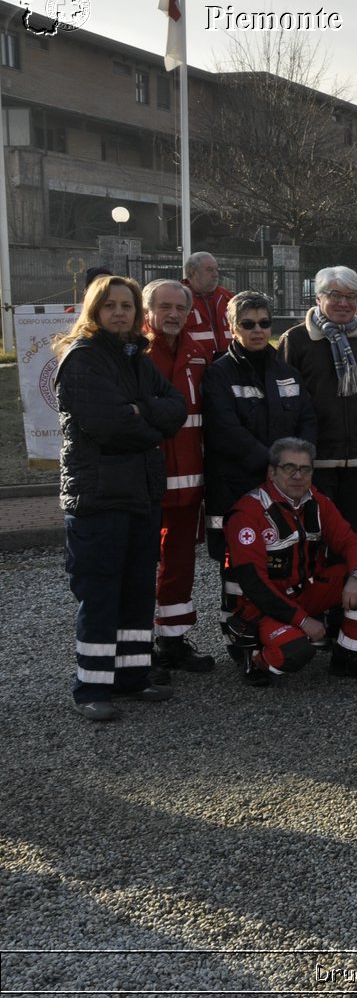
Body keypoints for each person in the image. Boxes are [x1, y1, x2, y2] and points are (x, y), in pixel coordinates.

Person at [56, 275, 186, 720]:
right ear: (94, 311)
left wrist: (141, 410)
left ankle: (132, 678)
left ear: (136, 312)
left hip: (141, 495)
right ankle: (91, 687)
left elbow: (177, 408)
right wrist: (148, 419)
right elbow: (110, 424)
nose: (119, 312)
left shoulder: (137, 359)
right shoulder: (83, 359)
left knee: (135, 591)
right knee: (100, 593)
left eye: (126, 305)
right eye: (109, 305)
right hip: (98, 499)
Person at [223, 437, 357, 685]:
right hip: (261, 605)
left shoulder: (317, 503)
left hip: (303, 593)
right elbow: (253, 584)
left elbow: (351, 542)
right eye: (289, 468)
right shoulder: (247, 514)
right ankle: (253, 657)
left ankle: (347, 657)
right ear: (272, 471)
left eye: (305, 469)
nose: (298, 476)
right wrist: (303, 621)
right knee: (296, 653)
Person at [201, 292, 317, 624]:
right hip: (238, 488)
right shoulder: (219, 374)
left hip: (285, 488)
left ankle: (281, 628)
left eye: (264, 323)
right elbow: (225, 429)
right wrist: (275, 466)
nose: (258, 331)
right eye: (248, 324)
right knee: (240, 566)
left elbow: (307, 419)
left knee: (284, 558)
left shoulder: (287, 373)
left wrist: (299, 465)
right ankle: (241, 639)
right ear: (231, 327)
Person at [277, 266, 357, 535]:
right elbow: (283, 405)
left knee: (349, 534)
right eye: (335, 295)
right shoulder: (296, 340)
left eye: (351, 297)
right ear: (318, 298)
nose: (343, 303)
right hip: (314, 459)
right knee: (313, 533)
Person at [141, 279, 212, 670]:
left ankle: (172, 640)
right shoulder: (133, 354)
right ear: (148, 310)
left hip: (188, 484)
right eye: (164, 306)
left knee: (180, 562)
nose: (173, 314)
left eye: (180, 308)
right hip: (144, 483)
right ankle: (134, 648)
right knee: (137, 565)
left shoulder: (199, 353)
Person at [180, 251, 234, 358]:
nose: (215, 274)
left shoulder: (227, 297)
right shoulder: (178, 299)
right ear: (193, 272)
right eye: (209, 270)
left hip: (228, 367)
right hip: (193, 367)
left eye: (216, 270)